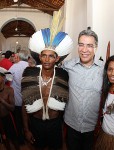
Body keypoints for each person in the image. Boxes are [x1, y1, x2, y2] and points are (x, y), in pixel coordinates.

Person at [62, 28, 114, 150]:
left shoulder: (104, 69)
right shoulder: (67, 66)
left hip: (93, 128)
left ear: (96, 47)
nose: (84, 50)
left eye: (89, 46)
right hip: (71, 124)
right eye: (81, 45)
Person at [21, 10, 73, 150]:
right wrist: (26, 130)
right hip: (35, 123)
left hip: (55, 124)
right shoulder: (29, 74)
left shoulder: (63, 76)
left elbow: (65, 109)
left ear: (56, 58)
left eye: (51, 56)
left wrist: (63, 139)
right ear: (40, 56)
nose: (47, 59)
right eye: (44, 55)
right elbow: (25, 106)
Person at [8, 49, 30, 145]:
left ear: (19, 57)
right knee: (28, 120)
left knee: (18, 121)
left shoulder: (14, 67)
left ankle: (20, 140)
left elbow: (6, 79)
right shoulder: (30, 66)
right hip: (28, 100)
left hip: (17, 100)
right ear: (27, 57)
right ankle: (29, 137)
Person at [0, 67, 19, 150]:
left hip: (8, 118)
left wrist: (2, 101)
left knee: (14, 138)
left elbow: (12, 108)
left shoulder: (9, 90)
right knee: (5, 140)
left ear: (3, 77)